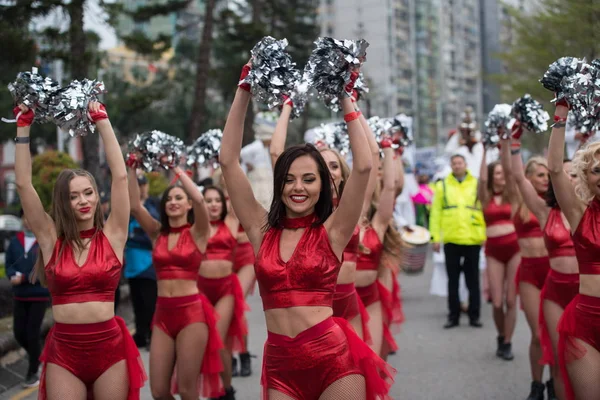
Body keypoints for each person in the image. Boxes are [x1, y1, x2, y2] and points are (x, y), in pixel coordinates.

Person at [220, 62, 394, 399]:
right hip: (282, 367)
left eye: (309, 179)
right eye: (288, 179)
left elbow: (364, 166)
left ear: (323, 186)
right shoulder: (261, 230)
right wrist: (244, 89)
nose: (298, 188)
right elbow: (228, 161)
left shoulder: (334, 231)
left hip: (335, 362)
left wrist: (345, 95)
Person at [14, 101, 146, 399]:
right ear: (64, 202)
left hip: (109, 349)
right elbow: (23, 185)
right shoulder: (50, 239)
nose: (83, 201)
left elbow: (121, 177)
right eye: (74, 196)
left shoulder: (113, 235)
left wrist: (102, 120)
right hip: (65, 351)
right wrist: (23, 128)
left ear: (97, 197)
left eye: (88, 193)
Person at [128, 162, 224, 399]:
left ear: (188, 204)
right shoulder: (157, 233)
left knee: (186, 389)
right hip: (162, 315)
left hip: (191, 313)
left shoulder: (198, 232)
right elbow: (134, 206)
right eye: (169, 198)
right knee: (159, 391)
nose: (173, 201)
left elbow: (201, 201)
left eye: (179, 197)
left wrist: (175, 169)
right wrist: (131, 169)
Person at [547, 103, 600, 400]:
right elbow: (555, 168)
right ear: (586, 177)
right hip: (585, 326)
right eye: (597, 170)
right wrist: (561, 112)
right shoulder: (580, 213)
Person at [500, 129, 555, 400]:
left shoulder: (557, 203)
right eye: (540, 175)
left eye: (547, 174)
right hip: (530, 272)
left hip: (555, 271)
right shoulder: (520, 199)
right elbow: (512, 175)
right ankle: (537, 384)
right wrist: (511, 142)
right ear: (530, 177)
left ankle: (556, 383)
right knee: (537, 332)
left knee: (557, 334)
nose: (545, 179)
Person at [197, 184, 248, 400]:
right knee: (212, 344)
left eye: (217, 200)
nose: (213, 204)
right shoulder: (196, 227)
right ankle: (221, 390)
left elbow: (237, 192)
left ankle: (226, 391)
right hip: (200, 290)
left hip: (226, 289)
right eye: (208, 201)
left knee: (217, 337)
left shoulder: (231, 221)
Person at [430, 154, 486, 328]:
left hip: (472, 238)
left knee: (473, 280)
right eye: (454, 163)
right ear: (451, 165)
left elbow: (484, 209)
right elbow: (436, 213)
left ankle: (474, 315)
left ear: (466, 164)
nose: (457, 165)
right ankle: (453, 316)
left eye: (460, 162)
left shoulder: (476, 183)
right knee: (452, 280)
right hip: (451, 237)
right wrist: (435, 238)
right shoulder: (442, 186)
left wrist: (485, 234)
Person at [211, 168, 256, 378]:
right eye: (223, 177)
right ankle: (231, 355)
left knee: (237, 304)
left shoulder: (241, 200)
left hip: (245, 256)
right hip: (226, 259)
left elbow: (247, 233)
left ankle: (244, 354)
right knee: (227, 314)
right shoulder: (214, 200)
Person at [478, 153, 520, 360]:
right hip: (493, 250)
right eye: (498, 173)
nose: (501, 176)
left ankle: (508, 342)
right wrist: (485, 150)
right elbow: (482, 180)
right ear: (492, 176)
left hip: (514, 249)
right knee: (496, 302)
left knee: (511, 300)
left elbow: (512, 174)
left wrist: (505, 148)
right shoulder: (485, 196)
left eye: (503, 172)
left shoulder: (512, 194)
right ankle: (501, 334)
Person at [5, 208, 50, 388]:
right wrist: (11, 276)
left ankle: (33, 371)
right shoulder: (16, 242)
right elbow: (8, 264)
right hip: (20, 296)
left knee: (32, 334)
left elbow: (45, 270)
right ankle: (38, 357)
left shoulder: (44, 243)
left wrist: (23, 278)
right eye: (25, 218)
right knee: (18, 333)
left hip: (38, 295)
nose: (28, 222)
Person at [124, 174, 159, 348]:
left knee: (149, 301)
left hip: (148, 264)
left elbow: (153, 233)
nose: (140, 188)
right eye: (137, 184)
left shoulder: (153, 207)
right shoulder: (126, 208)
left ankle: (153, 334)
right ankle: (141, 332)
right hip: (132, 263)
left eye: (142, 184)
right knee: (137, 301)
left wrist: (134, 238)